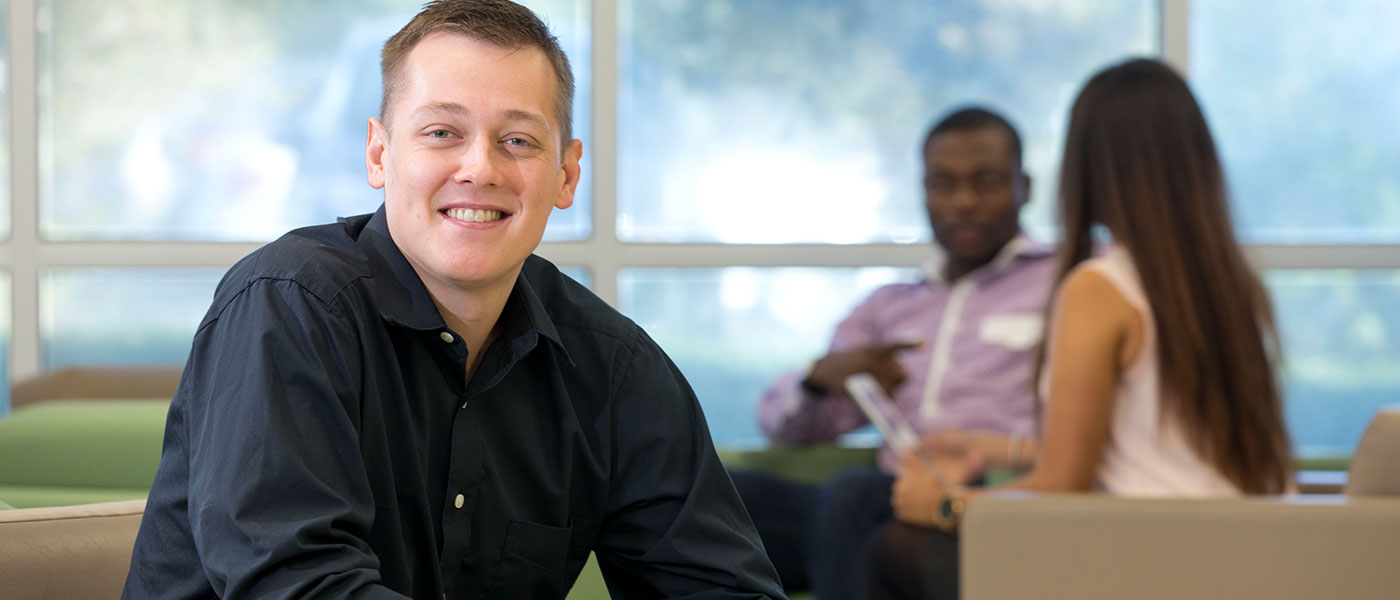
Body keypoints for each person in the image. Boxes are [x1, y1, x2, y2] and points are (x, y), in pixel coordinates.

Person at [122, 2, 784, 598]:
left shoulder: (613, 369)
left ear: (566, 173)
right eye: (442, 133)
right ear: (380, 154)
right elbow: (297, 584)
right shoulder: (288, 305)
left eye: (517, 140)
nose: (480, 168)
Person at [865, 57, 1296, 600]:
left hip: (1143, 562)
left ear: (1089, 165)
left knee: (896, 545)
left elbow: (1062, 485)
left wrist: (946, 506)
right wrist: (989, 446)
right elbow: (1158, 446)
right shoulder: (1232, 285)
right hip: (1243, 559)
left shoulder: (1101, 288)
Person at [730, 107, 1058, 599]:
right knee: (716, 498)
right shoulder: (889, 307)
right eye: (942, 184)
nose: (963, 202)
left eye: (985, 182)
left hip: (998, 493)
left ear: (1025, 187)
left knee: (851, 498)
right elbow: (782, 427)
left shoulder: (1065, 283)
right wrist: (819, 379)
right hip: (891, 501)